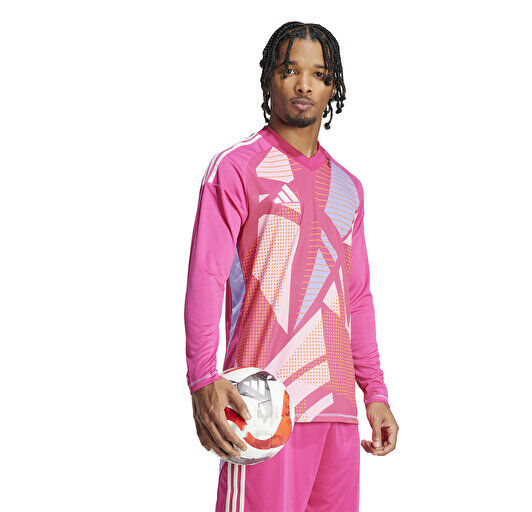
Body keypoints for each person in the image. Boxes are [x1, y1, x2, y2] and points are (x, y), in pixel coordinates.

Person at [184, 21, 399, 511]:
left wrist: (375, 393)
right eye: (290, 70)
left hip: (337, 411)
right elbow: (206, 277)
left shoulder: (349, 188)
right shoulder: (236, 168)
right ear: (269, 80)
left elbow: (357, 297)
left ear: (332, 87)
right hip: (263, 407)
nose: (304, 84)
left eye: (318, 74)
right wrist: (202, 380)